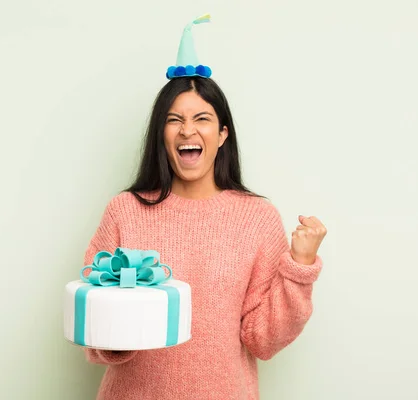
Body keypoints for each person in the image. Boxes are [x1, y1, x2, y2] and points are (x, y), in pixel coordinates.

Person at [81, 15, 327, 400]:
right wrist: (117, 332)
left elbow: (262, 340)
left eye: (202, 119)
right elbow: (93, 328)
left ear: (222, 134)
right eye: (173, 120)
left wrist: (300, 269)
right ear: (161, 135)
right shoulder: (124, 212)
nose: (187, 130)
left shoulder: (257, 219)